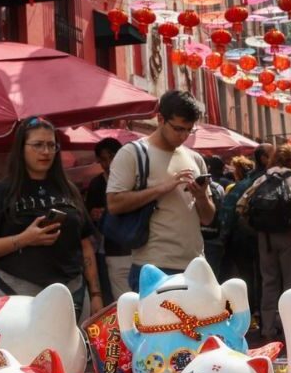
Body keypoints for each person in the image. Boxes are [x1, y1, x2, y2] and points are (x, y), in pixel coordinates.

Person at [0, 117, 104, 318]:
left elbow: (85, 243)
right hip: (18, 293)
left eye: (51, 145)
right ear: (21, 148)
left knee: (74, 349)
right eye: (37, 145)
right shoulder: (0, 193)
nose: (45, 152)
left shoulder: (69, 190)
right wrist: (23, 239)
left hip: (73, 291)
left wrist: (96, 293)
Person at [107, 91, 214, 292]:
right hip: (153, 265)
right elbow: (114, 204)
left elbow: (208, 218)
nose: (183, 136)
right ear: (160, 119)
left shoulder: (195, 158)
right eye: (178, 129)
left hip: (196, 264)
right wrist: (161, 189)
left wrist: (201, 197)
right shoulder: (133, 153)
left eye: (189, 130)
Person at [238, 144, 291, 342]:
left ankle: (267, 328)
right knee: (290, 282)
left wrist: (255, 228)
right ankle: (289, 328)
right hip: (289, 235)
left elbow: (241, 205)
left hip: (264, 237)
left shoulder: (261, 179)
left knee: (269, 282)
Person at [218, 144, 272, 326]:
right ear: (264, 158)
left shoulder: (244, 183)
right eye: (272, 154)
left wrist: (224, 237)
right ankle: (258, 318)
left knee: (248, 278)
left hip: (241, 238)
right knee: (261, 278)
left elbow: (227, 211)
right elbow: (229, 211)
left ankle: (250, 317)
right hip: (255, 238)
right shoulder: (264, 181)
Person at [84, 137, 130, 304]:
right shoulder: (96, 184)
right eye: (103, 159)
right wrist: (94, 214)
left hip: (136, 247)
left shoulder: (133, 178)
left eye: (112, 157)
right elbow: (88, 215)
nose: (109, 163)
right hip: (109, 249)